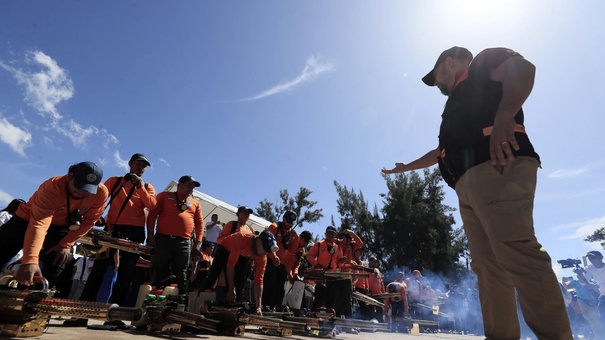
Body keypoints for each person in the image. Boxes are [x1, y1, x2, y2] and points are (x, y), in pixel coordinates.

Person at [382, 46, 572, 339]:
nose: (437, 85)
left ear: (448, 63)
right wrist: (404, 168)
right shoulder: (457, 102)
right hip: (468, 186)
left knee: (516, 250)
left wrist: (505, 117)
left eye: (436, 78)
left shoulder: (482, 64)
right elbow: (440, 152)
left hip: (496, 165)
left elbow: (523, 69)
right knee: (487, 266)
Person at [0, 162, 108, 287]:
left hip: (60, 226)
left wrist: (65, 244)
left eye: (87, 190)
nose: (81, 192)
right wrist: (30, 260)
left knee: (58, 261)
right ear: (70, 176)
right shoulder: (52, 186)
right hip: (27, 219)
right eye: (78, 186)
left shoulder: (101, 193)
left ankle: (39, 299)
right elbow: (40, 224)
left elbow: (89, 221)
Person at [79, 153, 156, 310]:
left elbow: (152, 205)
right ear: (130, 163)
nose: (141, 167)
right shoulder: (114, 181)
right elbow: (98, 198)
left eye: (144, 165)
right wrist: (98, 217)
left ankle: (116, 316)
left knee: (126, 275)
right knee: (98, 271)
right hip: (113, 229)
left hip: (135, 232)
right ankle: (82, 312)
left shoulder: (147, 187)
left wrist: (140, 187)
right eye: (138, 163)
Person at [147, 175, 204, 293]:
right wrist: (151, 235)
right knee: (159, 270)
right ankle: (154, 298)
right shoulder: (164, 196)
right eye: (188, 185)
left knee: (181, 273)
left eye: (193, 187)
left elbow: (199, 224)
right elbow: (152, 215)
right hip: (163, 239)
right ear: (179, 185)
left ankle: (178, 301)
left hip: (184, 242)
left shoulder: (195, 203)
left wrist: (198, 242)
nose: (191, 189)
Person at [202, 206, 256, 301]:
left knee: (240, 278)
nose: (246, 215)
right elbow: (219, 239)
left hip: (240, 256)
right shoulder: (232, 224)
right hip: (225, 251)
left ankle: (237, 300)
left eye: (248, 213)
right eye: (244, 212)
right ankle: (201, 295)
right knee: (214, 273)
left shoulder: (249, 229)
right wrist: (232, 240)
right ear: (238, 214)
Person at [220, 230, 279, 314]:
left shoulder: (262, 257)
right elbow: (230, 265)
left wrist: (258, 307)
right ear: (258, 242)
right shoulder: (243, 238)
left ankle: (233, 310)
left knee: (240, 283)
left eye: (267, 251)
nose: (265, 253)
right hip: (225, 248)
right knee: (222, 279)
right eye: (265, 249)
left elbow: (259, 281)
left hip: (241, 255)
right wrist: (231, 289)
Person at [263, 210, 299, 310]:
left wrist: (296, 238)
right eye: (288, 221)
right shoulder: (274, 227)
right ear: (283, 219)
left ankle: (276, 308)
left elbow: (292, 251)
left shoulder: (292, 233)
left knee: (280, 288)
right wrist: (274, 256)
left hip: (282, 264)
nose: (289, 224)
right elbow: (268, 243)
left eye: (291, 223)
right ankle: (266, 307)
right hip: (271, 261)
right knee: (270, 286)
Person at [306, 226, 344, 312]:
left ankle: (329, 317)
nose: (330, 235)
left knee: (331, 299)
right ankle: (314, 314)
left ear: (335, 235)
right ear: (325, 234)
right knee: (319, 297)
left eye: (332, 233)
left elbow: (339, 264)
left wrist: (342, 261)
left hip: (332, 276)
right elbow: (309, 255)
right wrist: (316, 264)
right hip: (321, 275)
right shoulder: (319, 244)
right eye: (329, 233)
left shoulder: (338, 248)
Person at [563, 272, 604, 339]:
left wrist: (586, 282)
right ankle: (599, 336)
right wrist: (564, 281)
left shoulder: (592, 282)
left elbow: (596, 290)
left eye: (581, 275)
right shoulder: (575, 282)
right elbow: (567, 287)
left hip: (593, 304)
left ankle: (599, 336)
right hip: (582, 304)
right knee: (591, 321)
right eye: (578, 275)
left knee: (596, 321)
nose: (580, 276)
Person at [584, 250, 605, 328]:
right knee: (602, 318)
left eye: (594, 257)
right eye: (589, 258)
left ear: (601, 257)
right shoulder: (589, 268)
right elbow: (585, 281)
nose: (592, 260)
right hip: (603, 296)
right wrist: (581, 279)